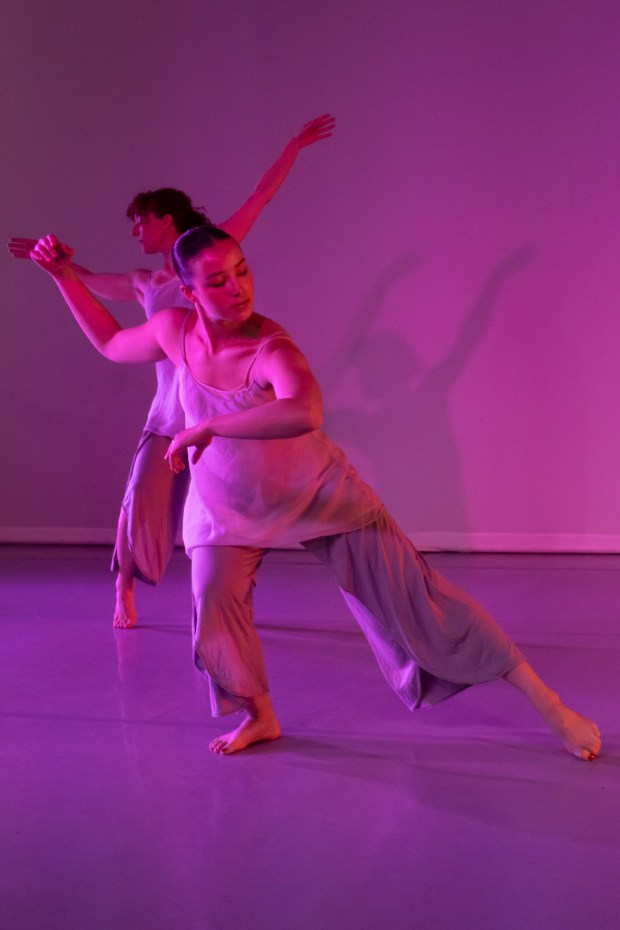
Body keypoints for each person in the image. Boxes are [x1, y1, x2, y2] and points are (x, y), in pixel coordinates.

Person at [28, 227, 602, 762]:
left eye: (243, 271)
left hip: (316, 494)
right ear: (188, 290)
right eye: (219, 280)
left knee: (421, 603)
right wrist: (63, 278)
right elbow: (109, 341)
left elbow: (305, 410)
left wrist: (209, 427)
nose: (238, 289)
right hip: (226, 505)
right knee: (214, 610)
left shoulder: (271, 345)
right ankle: (261, 716)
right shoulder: (173, 331)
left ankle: (548, 704)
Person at [8, 114, 335, 629]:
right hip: (170, 408)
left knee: (235, 501)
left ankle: (232, 591)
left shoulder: (211, 250)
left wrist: (293, 146)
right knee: (140, 495)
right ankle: (124, 587)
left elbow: (261, 195)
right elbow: (95, 298)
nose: (136, 231)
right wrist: (58, 267)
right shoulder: (144, 282)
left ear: (165, 219)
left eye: (141, 220)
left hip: (220, 404)